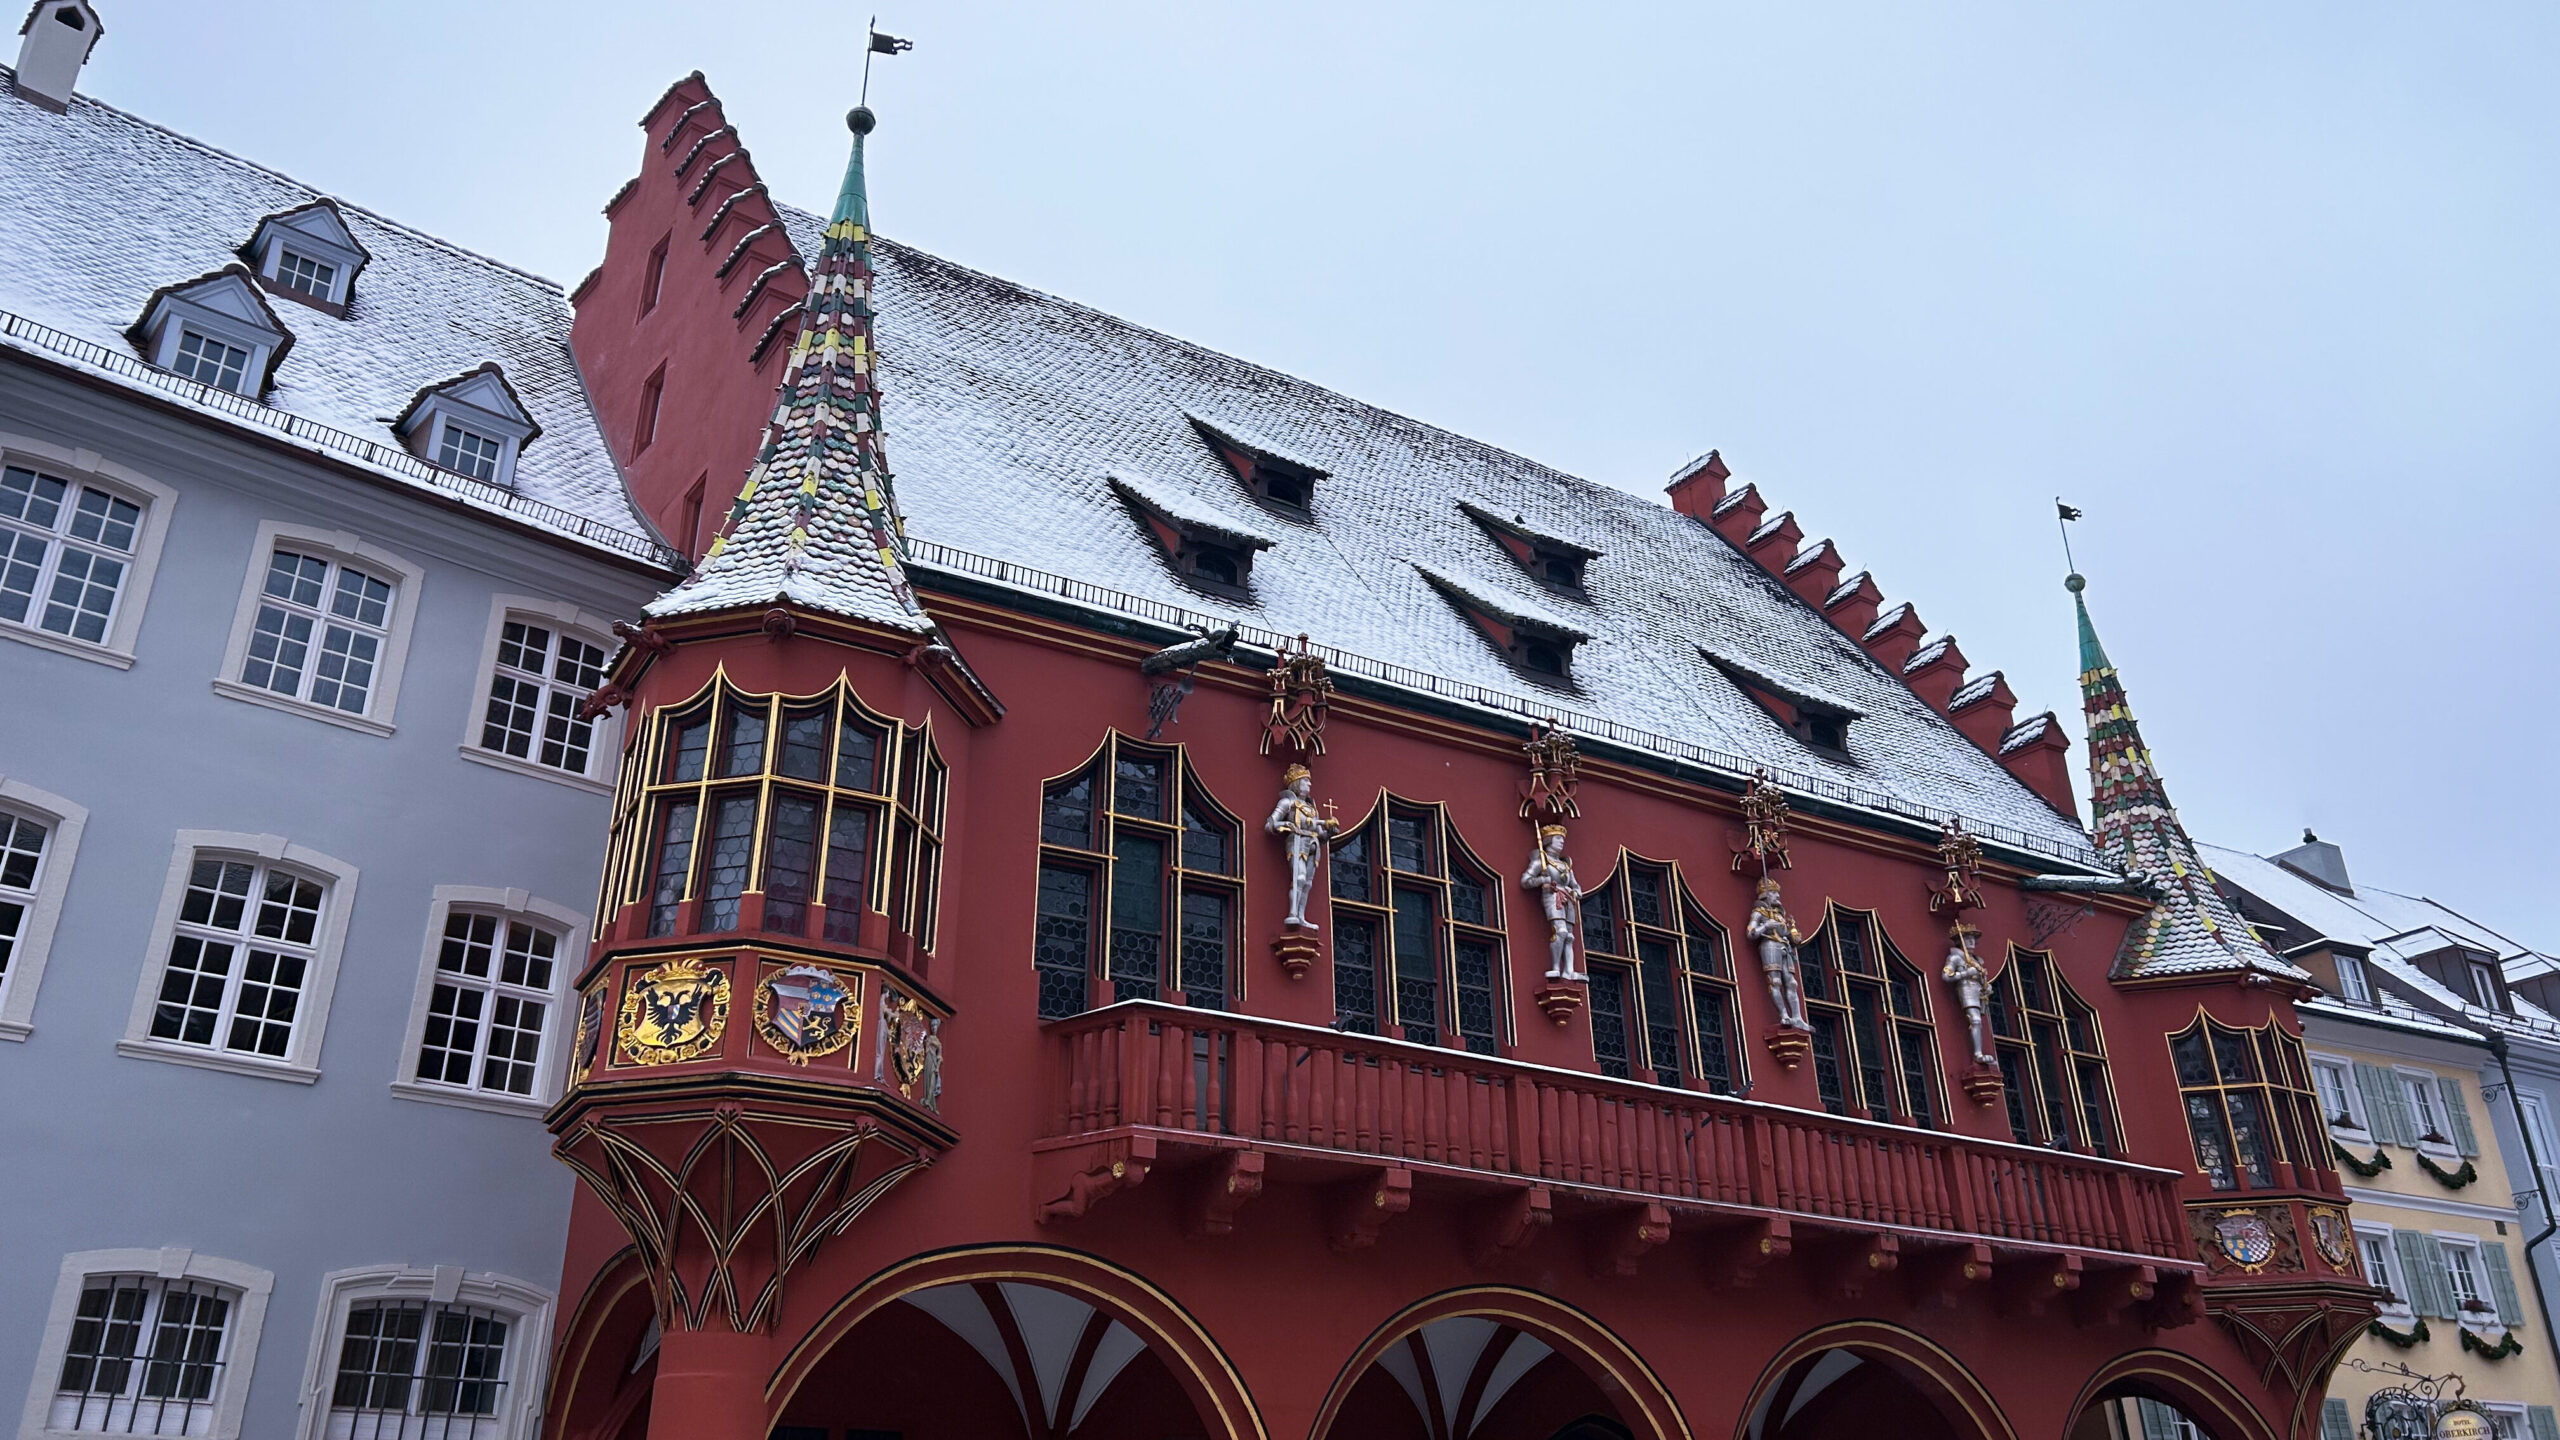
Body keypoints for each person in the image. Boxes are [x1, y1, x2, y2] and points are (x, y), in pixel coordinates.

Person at [1265, 764, 1338, 929]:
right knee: (1299, 878)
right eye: (1306, 781)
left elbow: (1320, 834)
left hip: (1312, 844)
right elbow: (1270, 824)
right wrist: (1287, 825)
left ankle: (1301, 916)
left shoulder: (1312, 809)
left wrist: (1330, 832)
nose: (1309, 784)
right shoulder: (1287, 802)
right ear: (1297, 783)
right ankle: (1292, 913)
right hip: (1296, 842)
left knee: (1308, 883)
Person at [1521, 825, 1586, 981]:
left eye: (1563, 839)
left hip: (1568, 899)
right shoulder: (1541, 861)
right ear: (1548, 841)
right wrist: (1543, 879)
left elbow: (1575, 885)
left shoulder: (1566, 865)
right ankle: (1556, 967)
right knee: (1560, 932)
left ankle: (1569, 971)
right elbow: (1525, 880)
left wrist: (1577, 891)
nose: (1561, 842)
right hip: (1552, 896)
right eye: (1558, 838)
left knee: (1569, 937)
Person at [1748, 877, 1810, 1030]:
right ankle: (1784, 1014)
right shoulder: (1759, 912)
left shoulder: (1780, 914)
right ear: (1766, 895)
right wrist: (1765, 926)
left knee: (1792, 983)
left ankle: (1797, 1017)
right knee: (1775, 981)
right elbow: (1750, 933)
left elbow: (1787, 933)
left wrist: (1794, 936)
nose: (1777, 896)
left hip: (1784, 946)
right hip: (1769, 945)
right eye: (1774, 893)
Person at [1943, 925, 1994, 1065]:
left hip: (1978, 991)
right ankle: (1978, 1053)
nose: (1971, 942)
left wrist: (1987, 986)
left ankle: (1979, 1052)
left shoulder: (1976, 960)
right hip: (1966, 988)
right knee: (1975, 1020)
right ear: (1960, 941)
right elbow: (1946, 976)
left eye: (1973, 939)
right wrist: (1966, 973)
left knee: (1979, 1021)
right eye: (1967, 939)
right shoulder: (1955, 958)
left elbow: (1981, 978)